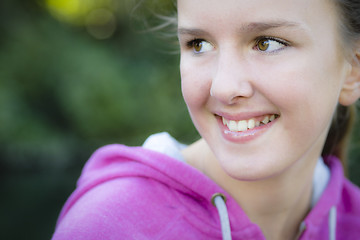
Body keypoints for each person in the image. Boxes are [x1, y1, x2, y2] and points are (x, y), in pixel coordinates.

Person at [52, 0, 360, 239]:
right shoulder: (107, 228)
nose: (223, 87)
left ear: (353, 68)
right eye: (199, 44)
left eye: (267, 42)